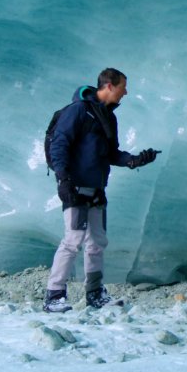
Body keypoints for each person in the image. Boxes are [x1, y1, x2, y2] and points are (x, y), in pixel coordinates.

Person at [43, 67, 159, 313]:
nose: (125, 92)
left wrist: (135, 160)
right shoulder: (78, 111)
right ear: (108, 86)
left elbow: (111, 154)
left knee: (97, 242)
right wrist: (63, 179)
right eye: (122, 87)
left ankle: (94, 294)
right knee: (73, 241)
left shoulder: (108, 117)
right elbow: (60, 143)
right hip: (75, 188)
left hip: (96, 189)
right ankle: (54, 296)